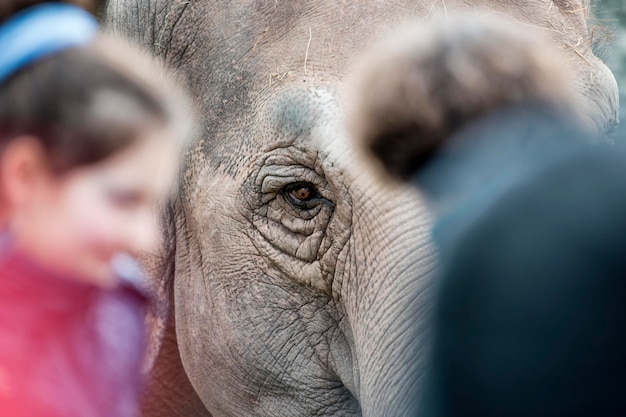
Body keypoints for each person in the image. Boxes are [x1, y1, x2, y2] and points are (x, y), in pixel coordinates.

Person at [0, 1, 190, 416]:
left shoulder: (118, 317)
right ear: (25, 175)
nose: (146, 239)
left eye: (154, 205)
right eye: (122, 199)